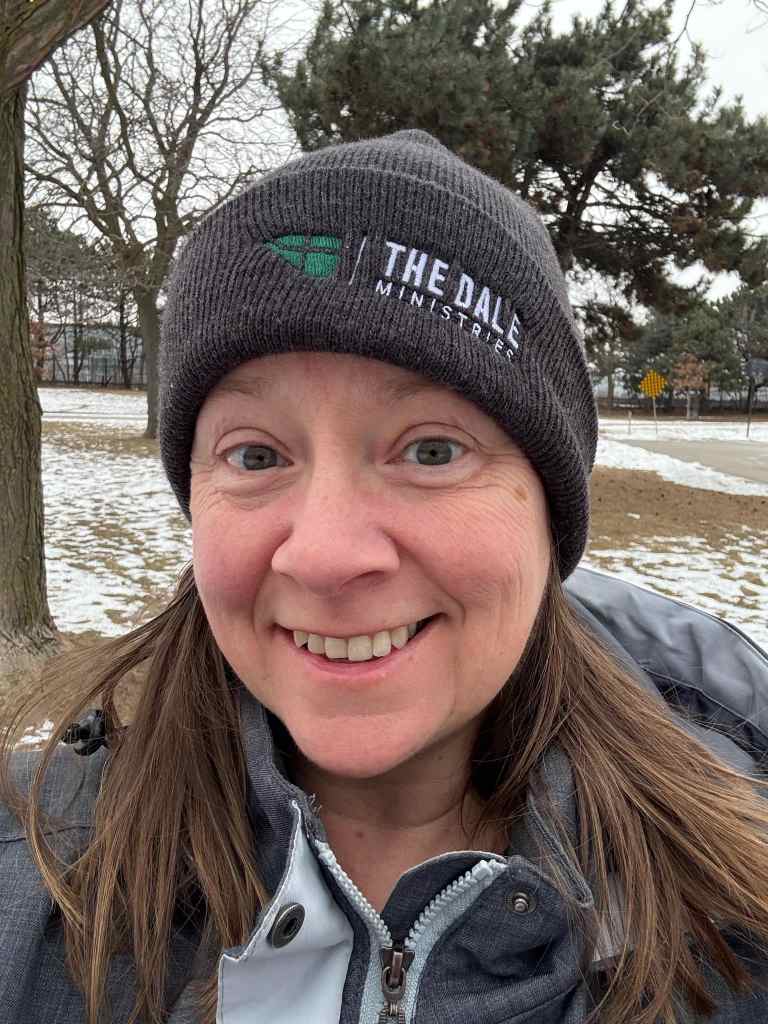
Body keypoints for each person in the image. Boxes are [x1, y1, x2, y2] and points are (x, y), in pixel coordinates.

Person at [2, 129, 768, 1024]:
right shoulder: (28, 869)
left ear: (548, 512)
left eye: (431, 450)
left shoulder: (736, 909)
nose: (325, 555)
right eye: (256, 455)